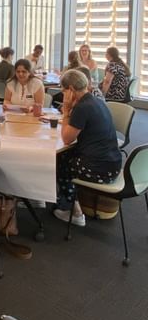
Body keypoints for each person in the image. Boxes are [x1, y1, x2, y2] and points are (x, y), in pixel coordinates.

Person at [54, 70, 122, 226]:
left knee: (61, 163)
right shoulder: (96, 101)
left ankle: (72, 210)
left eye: (64, 91)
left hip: (98, 169)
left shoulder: (83, 108)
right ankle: (66, 202)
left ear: (70, 89)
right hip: (113, 163)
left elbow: (66, 138)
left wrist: (66, 111)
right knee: (65, 156)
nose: (63, 94)